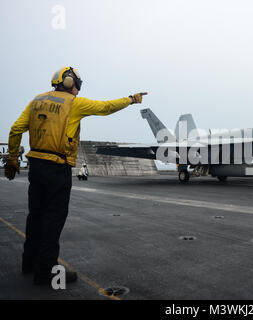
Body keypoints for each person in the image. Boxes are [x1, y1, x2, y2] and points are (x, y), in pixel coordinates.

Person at [4, 66, 147, 286]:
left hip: (36, 168)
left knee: (36, 216)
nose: (78, 90)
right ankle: (47, 273)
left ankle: (29, 263)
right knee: (53, 219)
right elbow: (106, 107)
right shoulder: (74, 103)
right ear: (71, 83)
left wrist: (13, 157)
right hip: (57, 169)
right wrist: (131, 99)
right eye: (77, 85)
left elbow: (15, 129)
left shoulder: (36, 101)